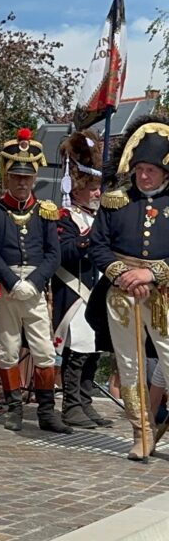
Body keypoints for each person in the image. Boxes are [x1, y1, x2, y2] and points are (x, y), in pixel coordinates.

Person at [87, 115, 169, 460]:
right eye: (139, 168)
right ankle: (142, 431)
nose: (143, 175)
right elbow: (98, 246)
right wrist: (122, 274)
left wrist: (151, 275)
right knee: (130, 365)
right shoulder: (115, 201)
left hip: (163, 294)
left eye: (151, 170)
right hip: (121, 294)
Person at [0, 129, 69, 434]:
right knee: (7, 350)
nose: (22, 182)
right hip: (8, 289)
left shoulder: (45, 212)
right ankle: (13, 407)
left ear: (34, 179)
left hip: (34, 288)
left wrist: (34, 282)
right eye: (16, 176)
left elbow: (53, 254)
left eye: (27, 177)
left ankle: (47, 411)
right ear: (7, 176)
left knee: (44, 350)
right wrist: (10, 280)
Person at [53, 130, 112, 428]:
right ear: (76, 189)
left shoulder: (96, 218)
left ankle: (85, 402)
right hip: (75, 294)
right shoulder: (65, 216)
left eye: (97, 187)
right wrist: (91, 238)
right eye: (91, 188)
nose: (97, 193)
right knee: (78, 351)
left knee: (94, 350)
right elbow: (64, 252)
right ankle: (71, 405)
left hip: (95, 292)